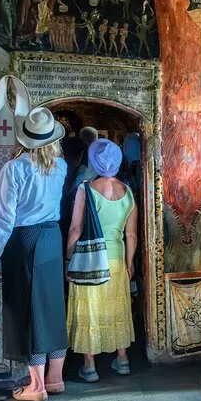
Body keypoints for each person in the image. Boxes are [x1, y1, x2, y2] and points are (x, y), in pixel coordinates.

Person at [0, 106, 67, 401]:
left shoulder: (14, 168)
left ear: (25, 138)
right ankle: (55, 378)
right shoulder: (61, 166)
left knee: (29, 312)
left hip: (25, 241)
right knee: (51, 308)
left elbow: (3, 220)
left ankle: (36, 387)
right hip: (52, 238)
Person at [66, 139, 138, 382]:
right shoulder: (127, 192)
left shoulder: (85, 189)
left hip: (90, 260)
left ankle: (89, 367)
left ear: (94, 162)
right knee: (117, 309)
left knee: (90, 310)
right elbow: (131, 234)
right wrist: (129, 263)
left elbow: (76, 228)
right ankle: (123, 359)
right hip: (117, 259)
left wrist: (68, 258)